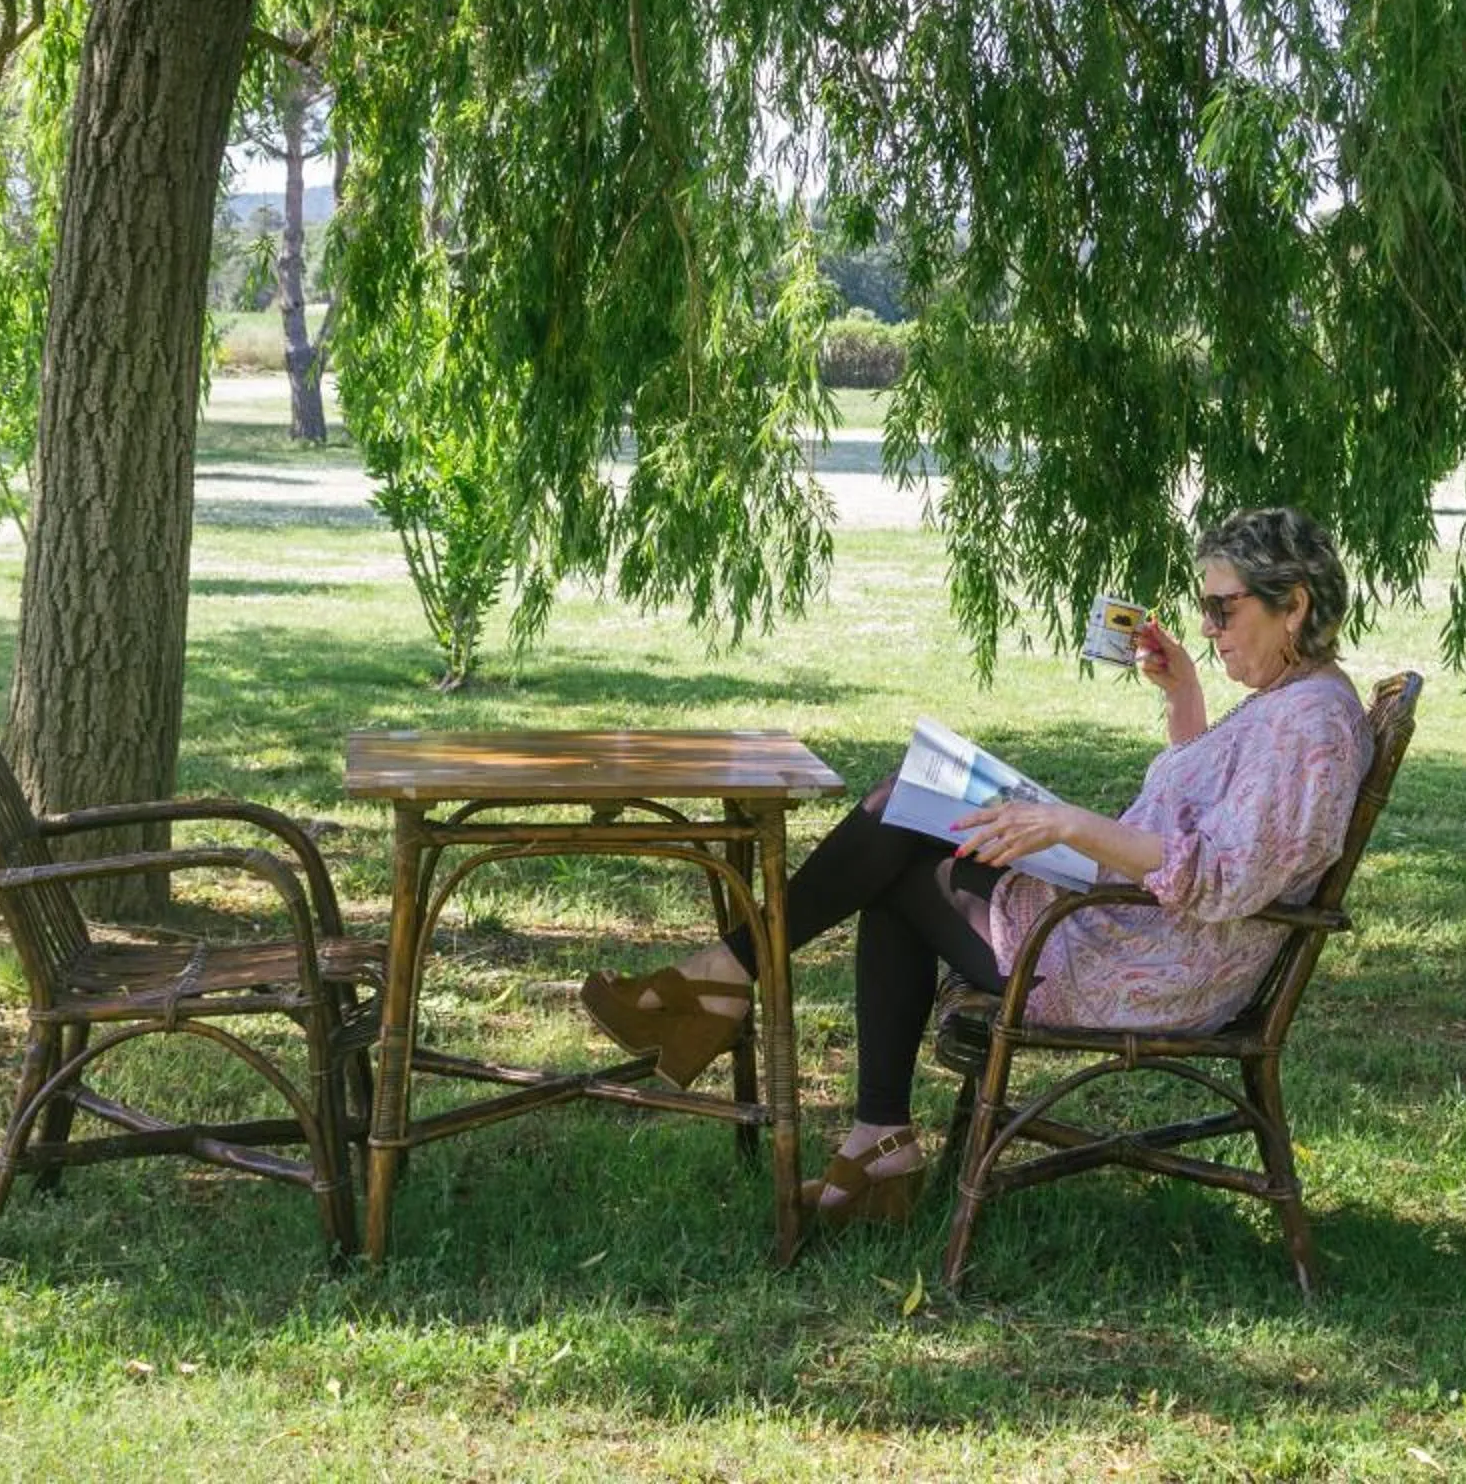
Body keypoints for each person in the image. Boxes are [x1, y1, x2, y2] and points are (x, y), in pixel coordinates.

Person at [579, 507, 1375, 1227]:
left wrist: (1070, 825)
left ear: (1293, 604)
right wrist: (1185, 699)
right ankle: (848, 1112)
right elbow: (1212, 816)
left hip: (1141, 966)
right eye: (1206, 608)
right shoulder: (1288, 703)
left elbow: (1228, 877)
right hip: (1124, 926)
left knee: (898, 820)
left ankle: (735, 995)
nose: (1208, 627)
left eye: (1222, 608)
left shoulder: (1313, 726)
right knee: (909, 816)